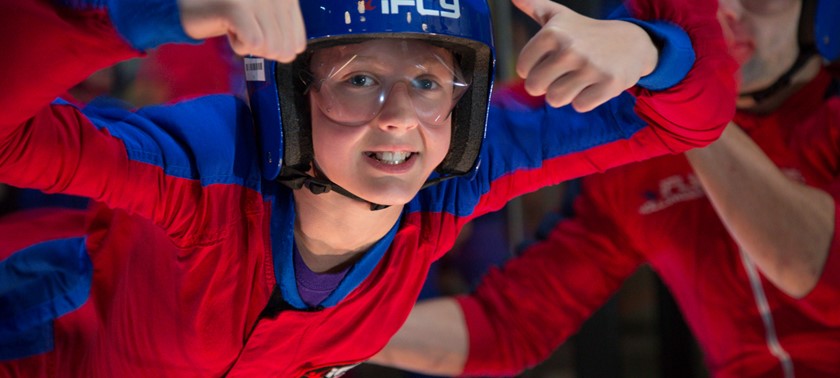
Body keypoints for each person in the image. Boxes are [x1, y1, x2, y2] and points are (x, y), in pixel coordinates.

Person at [0, 0, 735, 376]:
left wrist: (651, 51)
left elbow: (694, 117)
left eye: (425, 82)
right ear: (291, 96)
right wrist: (162, 11)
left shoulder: (457, 174)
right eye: (359, 79)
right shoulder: (206, 166)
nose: (400, 120)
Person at [371, 0, 840, 377]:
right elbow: (509, 327)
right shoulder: (632, 167)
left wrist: (680, 85)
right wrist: (330, 327)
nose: (728, 12)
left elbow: (818, 275)